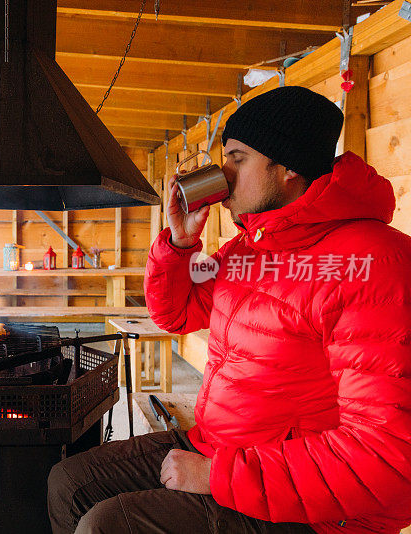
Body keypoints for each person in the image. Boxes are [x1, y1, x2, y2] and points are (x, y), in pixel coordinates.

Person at [47, 85, 411, 533]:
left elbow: (385, 458)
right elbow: (177, 313)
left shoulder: (372, 263)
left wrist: (220, 476)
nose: (223, 173)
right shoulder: (249, 249)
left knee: (109, 526)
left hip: (312, 505)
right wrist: (180, 245)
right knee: (70, 482)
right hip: (222, 446)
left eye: (237, 158)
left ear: (287, 169)